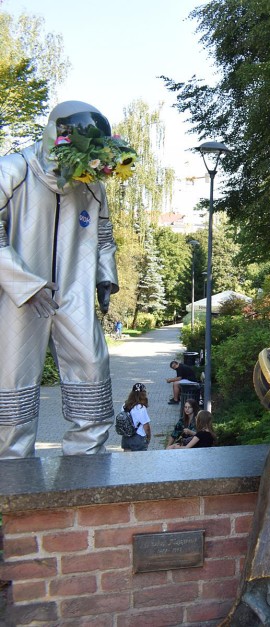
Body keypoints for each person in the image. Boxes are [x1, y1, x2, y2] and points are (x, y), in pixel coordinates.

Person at [0, 101, 120, 458]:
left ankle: (86, 464)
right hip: (16, 296)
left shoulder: (90, 186)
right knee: (13, 382)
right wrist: (25, 284)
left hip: (74, 290)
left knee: (92, 369)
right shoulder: (14, 170)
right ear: (57, 135)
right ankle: (11, 471)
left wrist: (104, 277)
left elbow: (103, 235)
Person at [121, 383, 151, 452]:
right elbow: (146, 427)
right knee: (139, 458)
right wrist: (148, 438)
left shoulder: (124, 405)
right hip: (138, 438)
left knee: (126, 458)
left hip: (126, 438)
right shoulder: (141, 408)